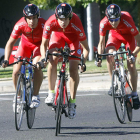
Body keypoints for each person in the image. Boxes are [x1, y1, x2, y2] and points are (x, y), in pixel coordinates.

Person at [39, 3, 89, 119]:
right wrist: (43, 58)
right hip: (58, 37)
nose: (63, 22)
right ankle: (51, 93)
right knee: (52, 58)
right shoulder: (50, 22)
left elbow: (86, 48)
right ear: (57, 17)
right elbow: (43, 44)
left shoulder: (76, 22)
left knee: (73, 68)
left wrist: (83, 62)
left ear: (70, 18)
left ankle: (72, 102)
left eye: (66, 19)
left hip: (73, 40)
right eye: (61, 19)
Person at [2, 4, 46, 111]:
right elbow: (10, 43)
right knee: (16, 71)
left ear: (38, 16)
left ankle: (35, 96)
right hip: (25, 45)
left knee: (36, 67)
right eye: (29, 18)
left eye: (34, 18)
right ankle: (18, 96)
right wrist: (6, 59)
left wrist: (44, 58)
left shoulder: (44, 24)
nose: (32, 21)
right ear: (25, 18)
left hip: (39, 46)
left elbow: (48, 43)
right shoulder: (20, 24)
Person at [96, 4, 140, 109]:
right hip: (115, 36)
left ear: (120, 16)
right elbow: (101, 43)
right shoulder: (103, 23)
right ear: (107, 18)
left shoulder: (127, 19)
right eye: (111, 20)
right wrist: (98, 57)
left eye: (116, 19)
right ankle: (113, 83)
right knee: (109, 53)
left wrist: (133, 54)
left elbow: (139, 42)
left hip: (129, 37)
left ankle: (134, 94)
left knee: (131, 64)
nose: (113, 22)